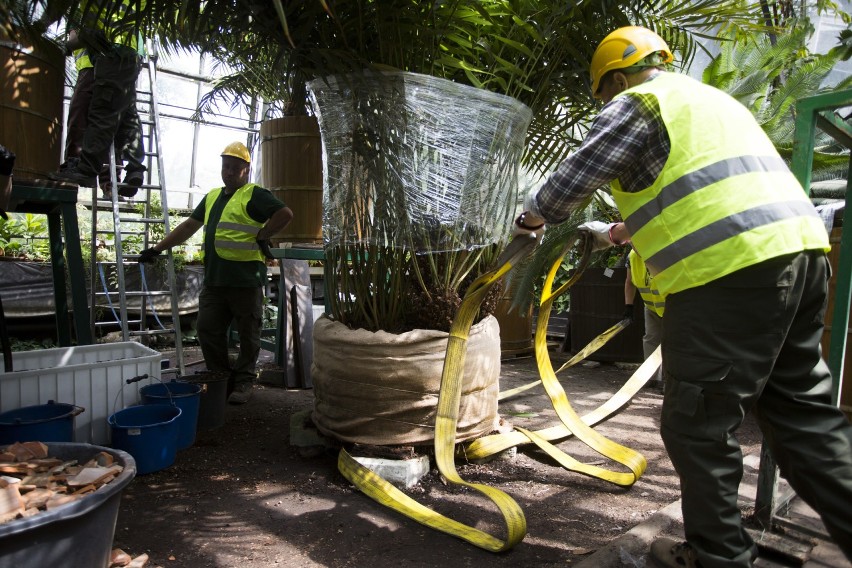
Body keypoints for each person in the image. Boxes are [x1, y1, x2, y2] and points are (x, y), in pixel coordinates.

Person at [513, 25, 852, 568]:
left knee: (698, 423)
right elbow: (699, 190)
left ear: (617, 78)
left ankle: (717, 558)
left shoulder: (639, 103)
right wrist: (619, 230)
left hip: (727, 276)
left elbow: (565, 187)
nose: (606, 103)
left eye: (603, 93)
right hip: (803, 257)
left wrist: (528, 222)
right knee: (803, 420)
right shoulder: (712, 102)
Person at [138, 142, 293, 405]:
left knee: (248, 334)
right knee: (207, 328)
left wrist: (264, 234)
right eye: (226, 166)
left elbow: (285, 213)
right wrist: (156, 248)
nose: (229, 172)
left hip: (245, 281)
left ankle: (244, 382)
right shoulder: (212, 197)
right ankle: (221, 375)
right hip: (215, 281)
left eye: (235, 168)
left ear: (246, 170)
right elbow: (189, 226)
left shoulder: (253, 194)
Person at [50, 3, 147, 197]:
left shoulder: (91, 8)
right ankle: (135, 169)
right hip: (130, 55)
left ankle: (86, 170)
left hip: (110, 55)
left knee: (101, 114)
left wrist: (57, 43)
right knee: (127, 115)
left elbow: (82, 32)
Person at [622, 231, 665, 387]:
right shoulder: (632, 257)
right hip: (652, 306)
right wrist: (629, 306)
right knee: (651, 339)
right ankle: (652, 378)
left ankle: (670, 380)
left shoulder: (661, 251)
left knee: (671, 343)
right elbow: (630, 282)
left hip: (672, 306)